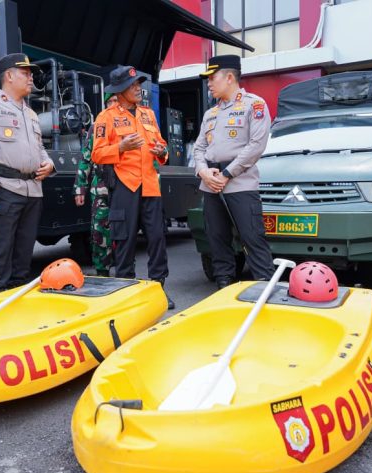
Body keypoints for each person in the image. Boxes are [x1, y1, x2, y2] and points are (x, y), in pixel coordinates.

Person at [0, 53, 55, 295]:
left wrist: (48, 163)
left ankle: (16, 297)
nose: (31, 79)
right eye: (25, 74)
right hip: (5, 189)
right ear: (9, 76)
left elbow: (39, 149)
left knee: (24, 252)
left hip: (33, 191)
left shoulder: (30, 113)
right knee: (0, 249)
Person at [91, 65, 174, 309]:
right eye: (133, 85)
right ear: (119, 91)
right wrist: (120, 147)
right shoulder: (105, 117)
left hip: (150, 185)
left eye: (139, 84)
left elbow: (161, 144)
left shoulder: (148, 114)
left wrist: (163, 151)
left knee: (158, 238)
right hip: (125, 186)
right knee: (124, 240)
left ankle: (158, 289)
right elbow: (97, 154)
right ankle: (125, 291)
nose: (138, 88)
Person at [192, 55, 275, 289]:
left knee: (252, 236)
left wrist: (227, 174)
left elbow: (256, 145)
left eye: (212, 78)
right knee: (217, 238)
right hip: (210, 182)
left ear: (229, 78)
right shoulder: (211, 113)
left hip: (240, 182)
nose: (208, 83)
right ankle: (224, 282)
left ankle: (264, 285)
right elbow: (199, 148)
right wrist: (203, 172)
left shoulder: (254, 104)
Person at [73, 93, 119, 277]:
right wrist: (79, 187)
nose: (114, 104)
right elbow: (85, 157)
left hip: (124, 184)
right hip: (100, 185)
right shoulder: (96, 127)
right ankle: (102, 272)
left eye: (117, 100)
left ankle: (125, 272)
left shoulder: (128, 124)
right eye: (110, 101)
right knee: (99, 229)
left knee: (125, 229)